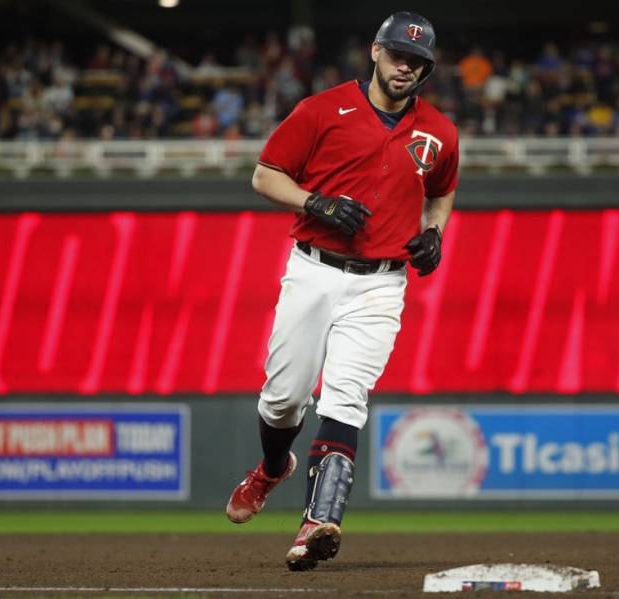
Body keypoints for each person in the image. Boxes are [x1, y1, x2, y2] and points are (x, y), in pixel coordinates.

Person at [225, 11, 459, 571]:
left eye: (418, 61)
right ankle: (273, 466)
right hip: (313, 269)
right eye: (400, 54)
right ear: (376, 52)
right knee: (283, 399)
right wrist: (314, 201)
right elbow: (264, 175)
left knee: (346, 397)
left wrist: (434, 232)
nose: (407, 67)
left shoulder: (439, 132)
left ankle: (318, 523)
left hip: (381, 283)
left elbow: (443, 188)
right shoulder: (323, 109)